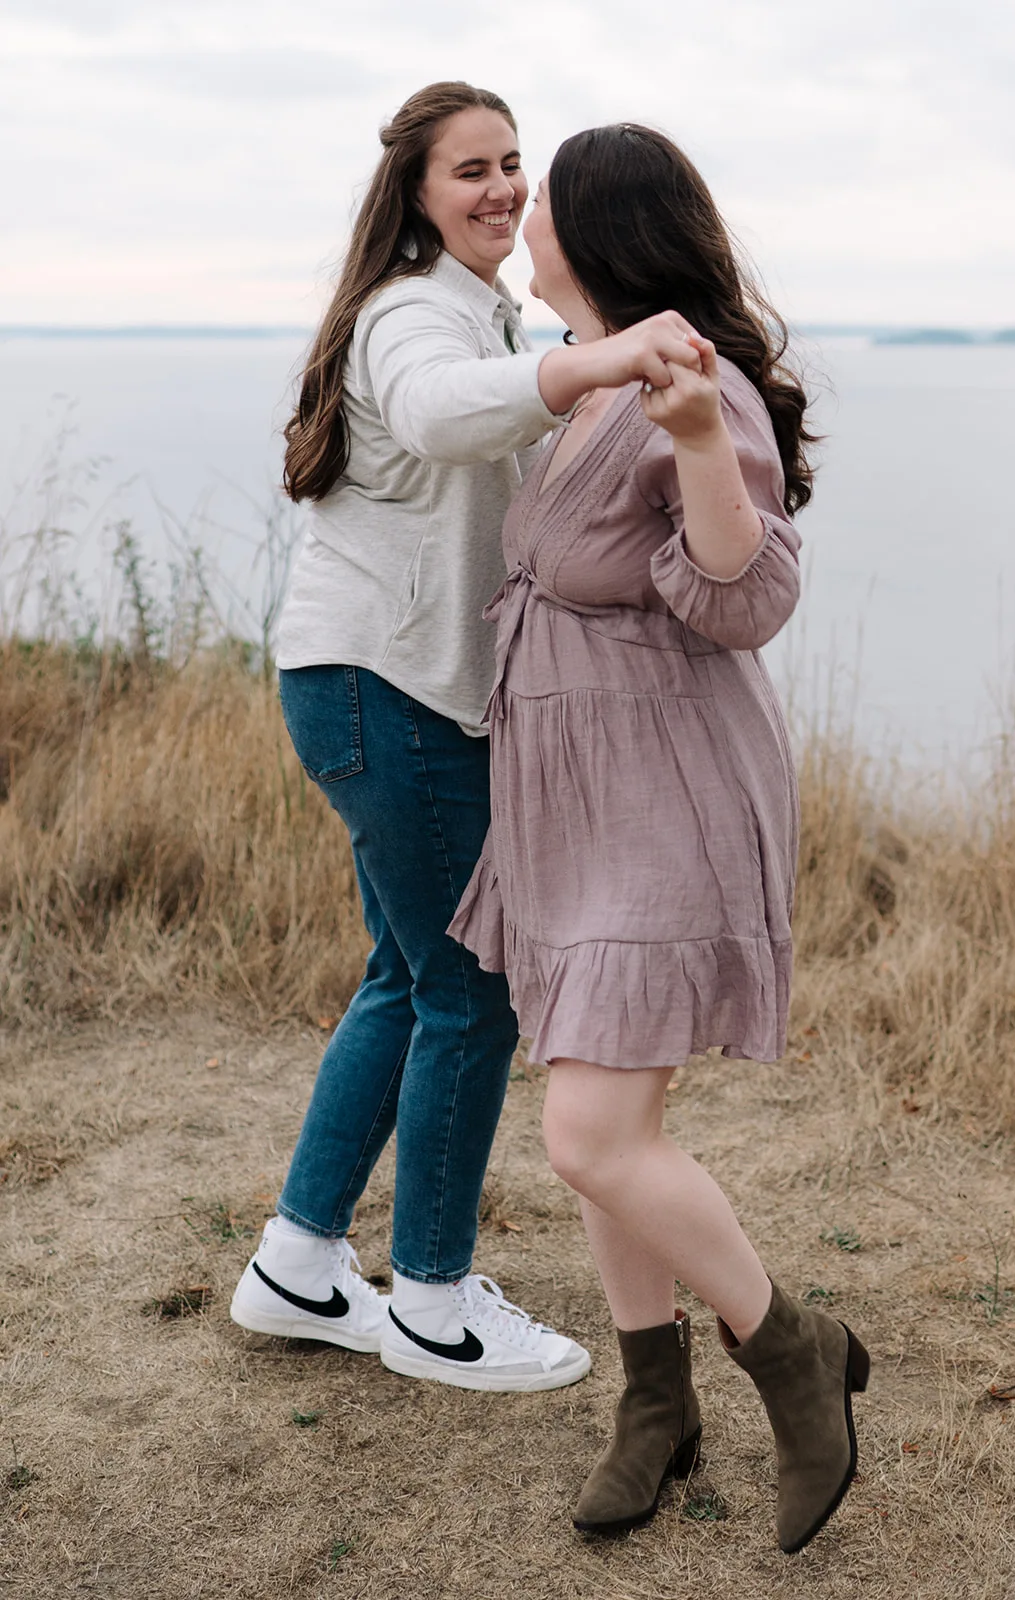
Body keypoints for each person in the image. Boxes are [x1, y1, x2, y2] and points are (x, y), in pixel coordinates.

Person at [229, 84, 704, 1394]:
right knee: (467, 990)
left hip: (374, 689)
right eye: (469, 171)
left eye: (513, 166)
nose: (499, 189)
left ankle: (298, 1263)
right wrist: (600, 359)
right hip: (390, 696)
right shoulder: (410, 313)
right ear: (415, 191)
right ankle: (432, 1303)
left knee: (403, 974)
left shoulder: (480, 312)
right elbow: (445, 415)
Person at [448, 124, 870, 1545]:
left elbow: (741, 600)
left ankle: (791, 1351)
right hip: (566, 795)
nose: (522, 208)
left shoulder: (698, 384)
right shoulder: (585, 377)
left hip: (662, 787)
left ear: (598, 228)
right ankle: (654, 1403)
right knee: (608, 1119)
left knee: (587, 1134)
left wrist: (695, 442)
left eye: (542, 194)